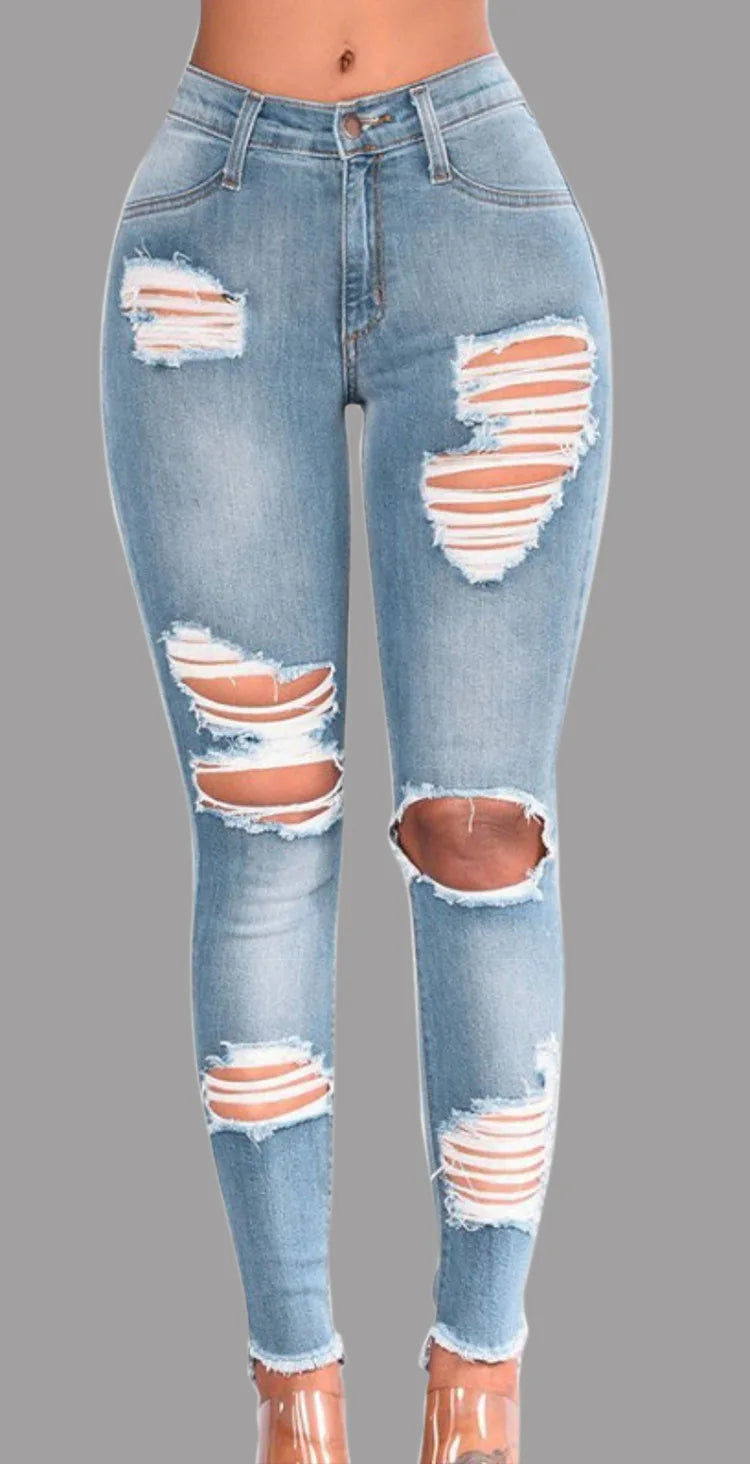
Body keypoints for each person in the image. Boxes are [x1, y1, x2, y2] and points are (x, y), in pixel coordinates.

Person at [100, 3, 611, 1459]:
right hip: (212, 222)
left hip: (480, 209)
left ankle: (479, 1381)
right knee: (259, 825)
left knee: (484, 837)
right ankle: (294, 1399)